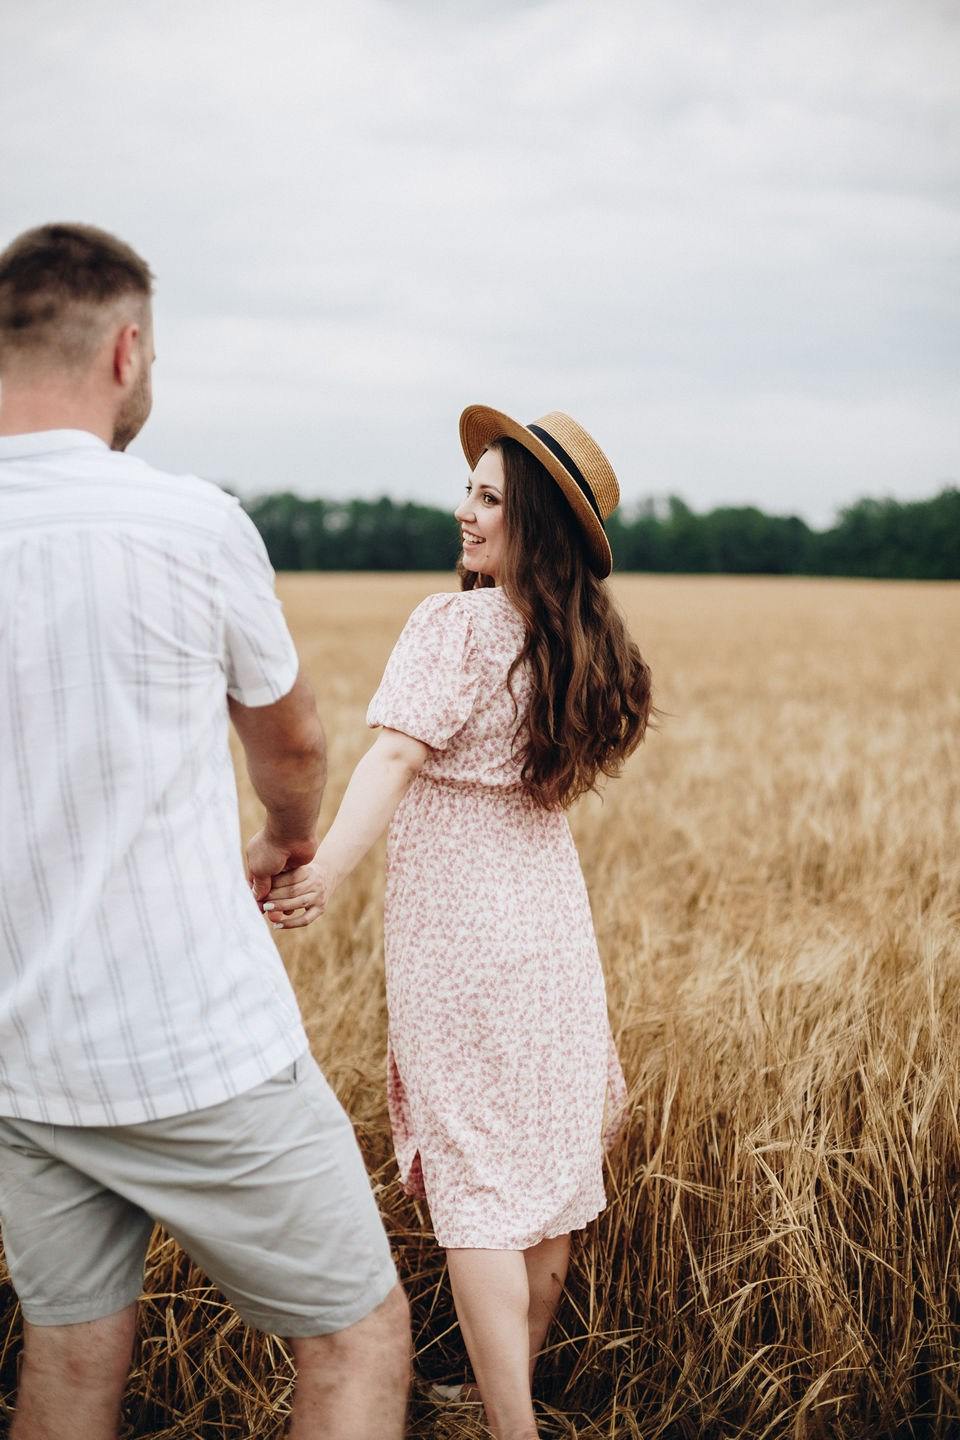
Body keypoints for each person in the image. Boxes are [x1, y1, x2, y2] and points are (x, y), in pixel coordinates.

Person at [0, 223, 410, 1440]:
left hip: (22, 1052)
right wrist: (286, 836)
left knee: (71, 1359)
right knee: (355, 1335)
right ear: (126, 350)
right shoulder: (189, 523)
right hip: (195, 1047)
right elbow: (292, 745)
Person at [266, 405, 653, 1440]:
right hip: (550, 933)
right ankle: (506, 1390)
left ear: (535, 527)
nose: (465, 511)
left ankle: (510, 1427)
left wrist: (324, 873)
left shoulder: (455, 626)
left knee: (480, 1189)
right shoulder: (579, 643)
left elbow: (393, 759)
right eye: (469, 491)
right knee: (548, 1174)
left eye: (490, 498)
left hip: (461, 937)